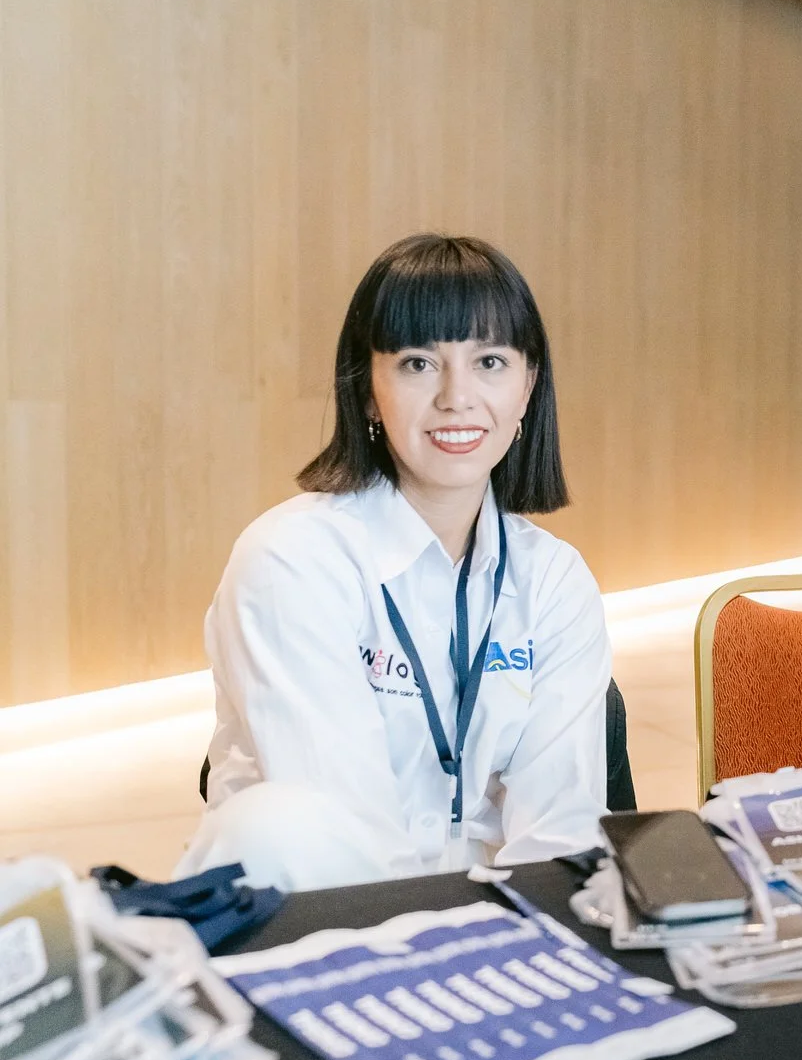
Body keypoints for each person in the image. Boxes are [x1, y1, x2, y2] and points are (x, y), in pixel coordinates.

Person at [175, 235, 609, 891]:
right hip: (316, 928)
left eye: (490, 361)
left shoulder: (553, 580)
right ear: (369, 391)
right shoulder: (291, 562)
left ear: (527, 388)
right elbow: (343, 838)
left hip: (500, 934)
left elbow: (562, 833)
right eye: (417, 364)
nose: (457, 397)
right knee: (283, 821)